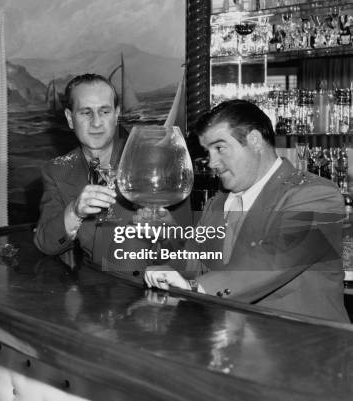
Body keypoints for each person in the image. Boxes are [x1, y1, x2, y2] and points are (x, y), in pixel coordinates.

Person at [144, 99, 349, 322]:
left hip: (307, 348)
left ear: (254, 141)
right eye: (208, 151)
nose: (211, 162)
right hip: (230, 348)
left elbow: (274, 260)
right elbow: (199, 264)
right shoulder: (219, 202)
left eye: (220, 148)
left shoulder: (317, 195)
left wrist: (195, 287)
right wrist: (168, 235)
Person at [34, 73, 191, 275]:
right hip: (95, 294)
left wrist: (167, 231)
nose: (96, 122)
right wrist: (74, 211)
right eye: (85, 113)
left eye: (104, 111)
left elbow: (190, 252)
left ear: (116, 114)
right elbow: (46, 243)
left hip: (155, 291)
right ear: (69, 118)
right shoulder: (57, 171)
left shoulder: (159, 163)